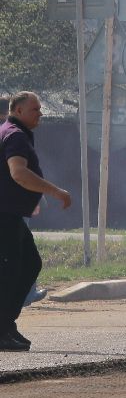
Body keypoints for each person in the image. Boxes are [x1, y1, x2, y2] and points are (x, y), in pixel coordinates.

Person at [1, 92, 71, 352]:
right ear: (18, 111)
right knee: (9, 272)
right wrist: (55, 191)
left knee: (30, 263)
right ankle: (2, 327)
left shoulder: (10, 131)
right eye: (34, 109)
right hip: (4, 215)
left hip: (10, 214)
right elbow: (18, 173)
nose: (40, 113)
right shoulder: (15, 135)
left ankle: (6, 324)